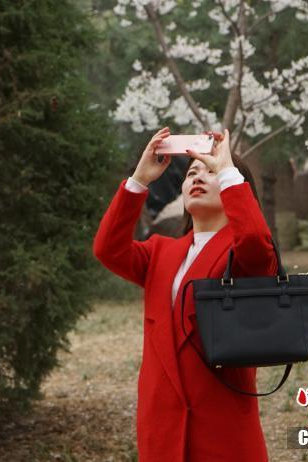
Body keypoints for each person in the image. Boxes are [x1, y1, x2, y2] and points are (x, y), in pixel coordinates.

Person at [93, 126, 278, 462]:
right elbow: (108, 249)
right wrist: (139, 180)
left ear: (233, 186)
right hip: (161, 431)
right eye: (192, 171)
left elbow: (254, 240)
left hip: (222, 435)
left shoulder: (244, 254)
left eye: (210, 171)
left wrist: (227, 170)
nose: (198, 176)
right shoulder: (160, 252)